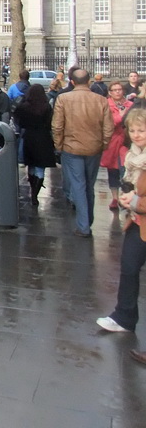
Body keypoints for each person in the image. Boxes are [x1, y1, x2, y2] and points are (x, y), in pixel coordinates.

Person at [96, 108, 146, 342]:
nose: (137, 135)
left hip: (140, 214)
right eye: (133, 130)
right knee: (128, 267)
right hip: (138, 220)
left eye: (142, 130)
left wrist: (134, 200)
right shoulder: (134, 154)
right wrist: (130, 198)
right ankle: (124, 317)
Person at [52, 68, 112, 237]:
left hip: (71, 147)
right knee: (89, 185)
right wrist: (103, 144)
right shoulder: (101, 100)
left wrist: (59, 145)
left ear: (72, 82)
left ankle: (84, 225)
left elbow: (57, 126)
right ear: (89, 81)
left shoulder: (63, 99)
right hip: (94, 148)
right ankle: (87, 221)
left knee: (78, 185)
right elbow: (108, 128)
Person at [13, 83, 54, 206]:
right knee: (40, 167)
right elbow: (50, 123)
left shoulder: (24, 107)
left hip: (29, 137)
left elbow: (19, 121)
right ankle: (35, 194)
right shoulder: (46, 107)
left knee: (31, 164)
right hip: (43, 137)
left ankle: (32, 188)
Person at [101, 81, 132, 211]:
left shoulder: (130, 104)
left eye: (119, 89)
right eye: (114, 90)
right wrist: (122, 114)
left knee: (126, 170)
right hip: (112, 142)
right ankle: (115, 198)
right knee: (112, 171)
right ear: (110, 92)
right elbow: (112, 122)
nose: (117, 92)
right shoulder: (106, 105)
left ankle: (126, 197)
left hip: (126, 142)